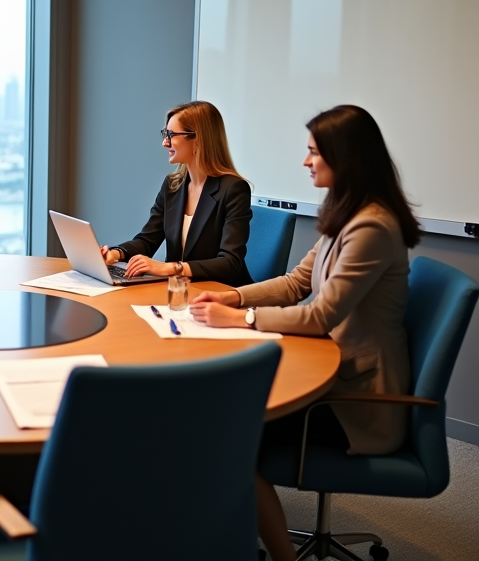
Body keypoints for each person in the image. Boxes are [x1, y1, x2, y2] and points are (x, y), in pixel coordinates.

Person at [188, 104, 421, 561]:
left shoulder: (371, 226)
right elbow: (297, 282)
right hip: (336, 374)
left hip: (359, 399)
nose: (305, 161)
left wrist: (243, 320)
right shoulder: (348, 213)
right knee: (225, 423)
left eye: (314, 152)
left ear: (345, 157)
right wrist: (233, 298)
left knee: (229, 439)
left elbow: (320, 316)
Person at [100, 100, 253, 286]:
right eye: (165, 134)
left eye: (171, 135)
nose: (165, 143)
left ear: (197, 140)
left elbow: (230, 263)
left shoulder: (234, 189)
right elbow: (148, 239)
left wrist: (171, 268)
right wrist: (115, 254)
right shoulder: (172, 186)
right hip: (179, 290)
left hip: (221, 293)